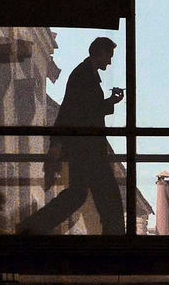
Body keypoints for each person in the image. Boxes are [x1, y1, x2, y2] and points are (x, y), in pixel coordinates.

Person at [17, 37, 125, 235]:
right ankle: (115, 237)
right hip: (88, 148)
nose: (109, 62)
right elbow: (81, 112)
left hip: (81, 147)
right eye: (108, 56)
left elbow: (77, 111)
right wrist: (109, 102)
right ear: (99, 52)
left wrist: (58, 145)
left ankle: (32, 227)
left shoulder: (82, 75)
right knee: (108, 197)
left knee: (78, 194)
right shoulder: (85, 76)